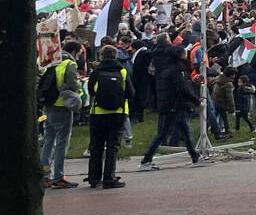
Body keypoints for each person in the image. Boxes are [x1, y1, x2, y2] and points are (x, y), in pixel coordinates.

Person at [139, 45, 205, 170]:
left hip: (170, 103)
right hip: (174, 105)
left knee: (185, 131)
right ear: (180, 55)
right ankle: (146, 160)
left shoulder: (168, 68)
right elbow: (182, 88)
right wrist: (196, 102)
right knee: (164, 133)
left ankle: (195, 156)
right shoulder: (177, 70)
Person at [87, 44, 135, 188]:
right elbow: (130, 93)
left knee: (96, 146)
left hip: (98, 113)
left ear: (101, 56)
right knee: (112, 146)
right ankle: (109, 177)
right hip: (118, 112)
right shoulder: (122, 71)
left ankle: (94, 178)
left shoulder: (96, 72)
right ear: (116, 56)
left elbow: (91, 91)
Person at [39, 40, 82, 189]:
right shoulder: (69, 64)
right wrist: (79, 84)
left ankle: (44, 175)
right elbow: (72, 84)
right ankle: (59, 176)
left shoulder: (51, 60)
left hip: (48, 104)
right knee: (62, 142)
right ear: (75, 51)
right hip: (62, 105)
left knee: (48, 140)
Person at [211, 65, 237, 137]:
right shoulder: (228, 84)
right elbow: (230, 98)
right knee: (223, 117)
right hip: (222, 103)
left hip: (216, 100)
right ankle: (226, 130)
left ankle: (211, 129)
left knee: (214, 116)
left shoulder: (218, 79)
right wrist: (232, 109)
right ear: (231, 75)